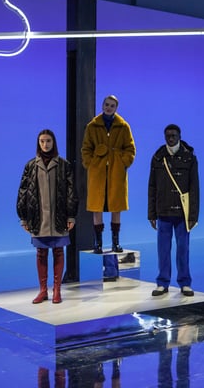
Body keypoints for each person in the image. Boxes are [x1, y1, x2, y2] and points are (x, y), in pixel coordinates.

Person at [17, 129, 78, 304]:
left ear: (54, 142)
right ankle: (43, 290)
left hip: (59, 216)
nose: (45, 144)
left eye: (48, 141)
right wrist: (24, 217)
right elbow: (23, 192)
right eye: (42, 141)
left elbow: (71, 192)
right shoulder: (31, 166)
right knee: (41, 253)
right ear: (38, 143)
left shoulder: (64, 165)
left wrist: (71, 216)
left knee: (58, 251)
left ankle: (57, 290)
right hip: (38, 217)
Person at [81, 95, 136, 282]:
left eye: (112, 106)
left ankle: (115, 243)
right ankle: (98, 243)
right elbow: (86, 149)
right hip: (98, 173)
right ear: (102, 105)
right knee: (97, 207)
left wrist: (122, 162)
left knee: (115, 207)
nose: (109, 108)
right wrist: (91, 163)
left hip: (115, 172)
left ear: (116, 108)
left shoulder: (123, 126)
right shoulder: (93, 126)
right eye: (106, 105)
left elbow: (130, 149)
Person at [148, 124, 199, 297]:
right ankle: (162, 282)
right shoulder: (158, 157)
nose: (170, 138)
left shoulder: (190, 157)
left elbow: (194, 188)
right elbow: (152, 186)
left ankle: (185, 282)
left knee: (183, 248)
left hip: (182, 212)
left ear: (179, 136)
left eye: (173, 135)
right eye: (168, 136)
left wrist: (193, 215)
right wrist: (151, 214)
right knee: (163, 249)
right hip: (163, 211)